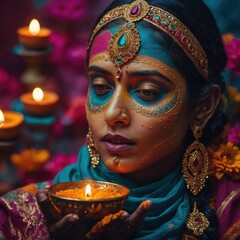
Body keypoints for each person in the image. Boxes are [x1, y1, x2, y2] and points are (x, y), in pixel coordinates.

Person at [0, 0, 240, 239]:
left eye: (147, 92)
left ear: (203, 106)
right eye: (101, 87)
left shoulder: (231, 216)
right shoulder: (17, 218)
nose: (113, 113)